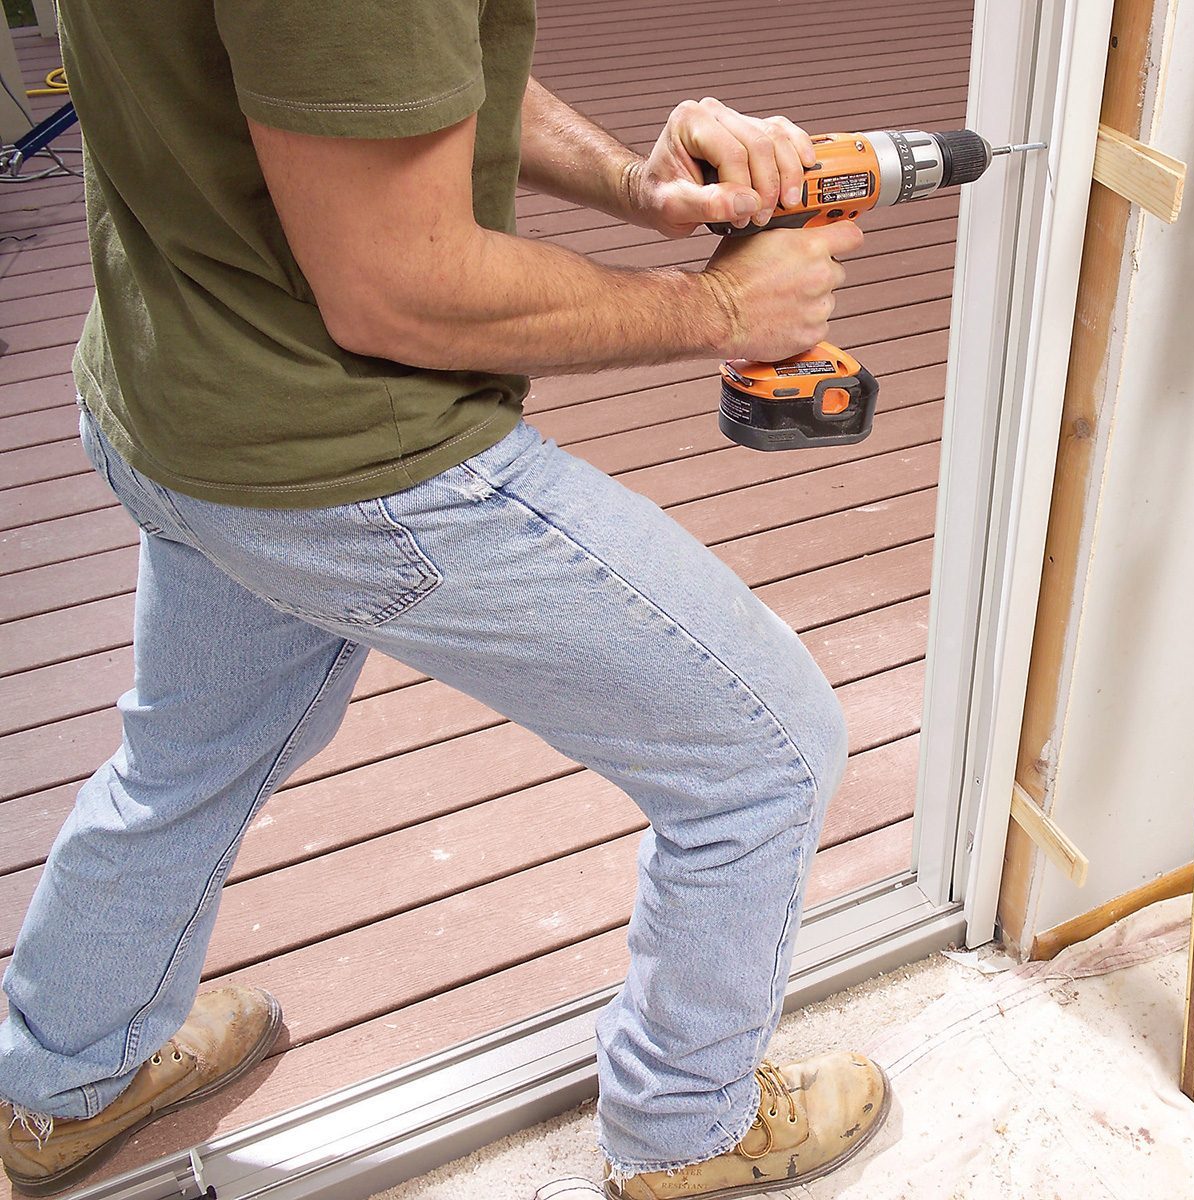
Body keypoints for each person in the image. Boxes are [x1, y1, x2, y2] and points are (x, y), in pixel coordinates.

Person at [0, 1, 891, 1197]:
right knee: (766, 757)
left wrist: (633, 183)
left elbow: (373, 82)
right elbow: (397, 290)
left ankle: (66, 1077)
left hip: (174, 402)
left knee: (186, 762)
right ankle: (687, 1129)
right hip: (351, 466)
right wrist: (724, 310)